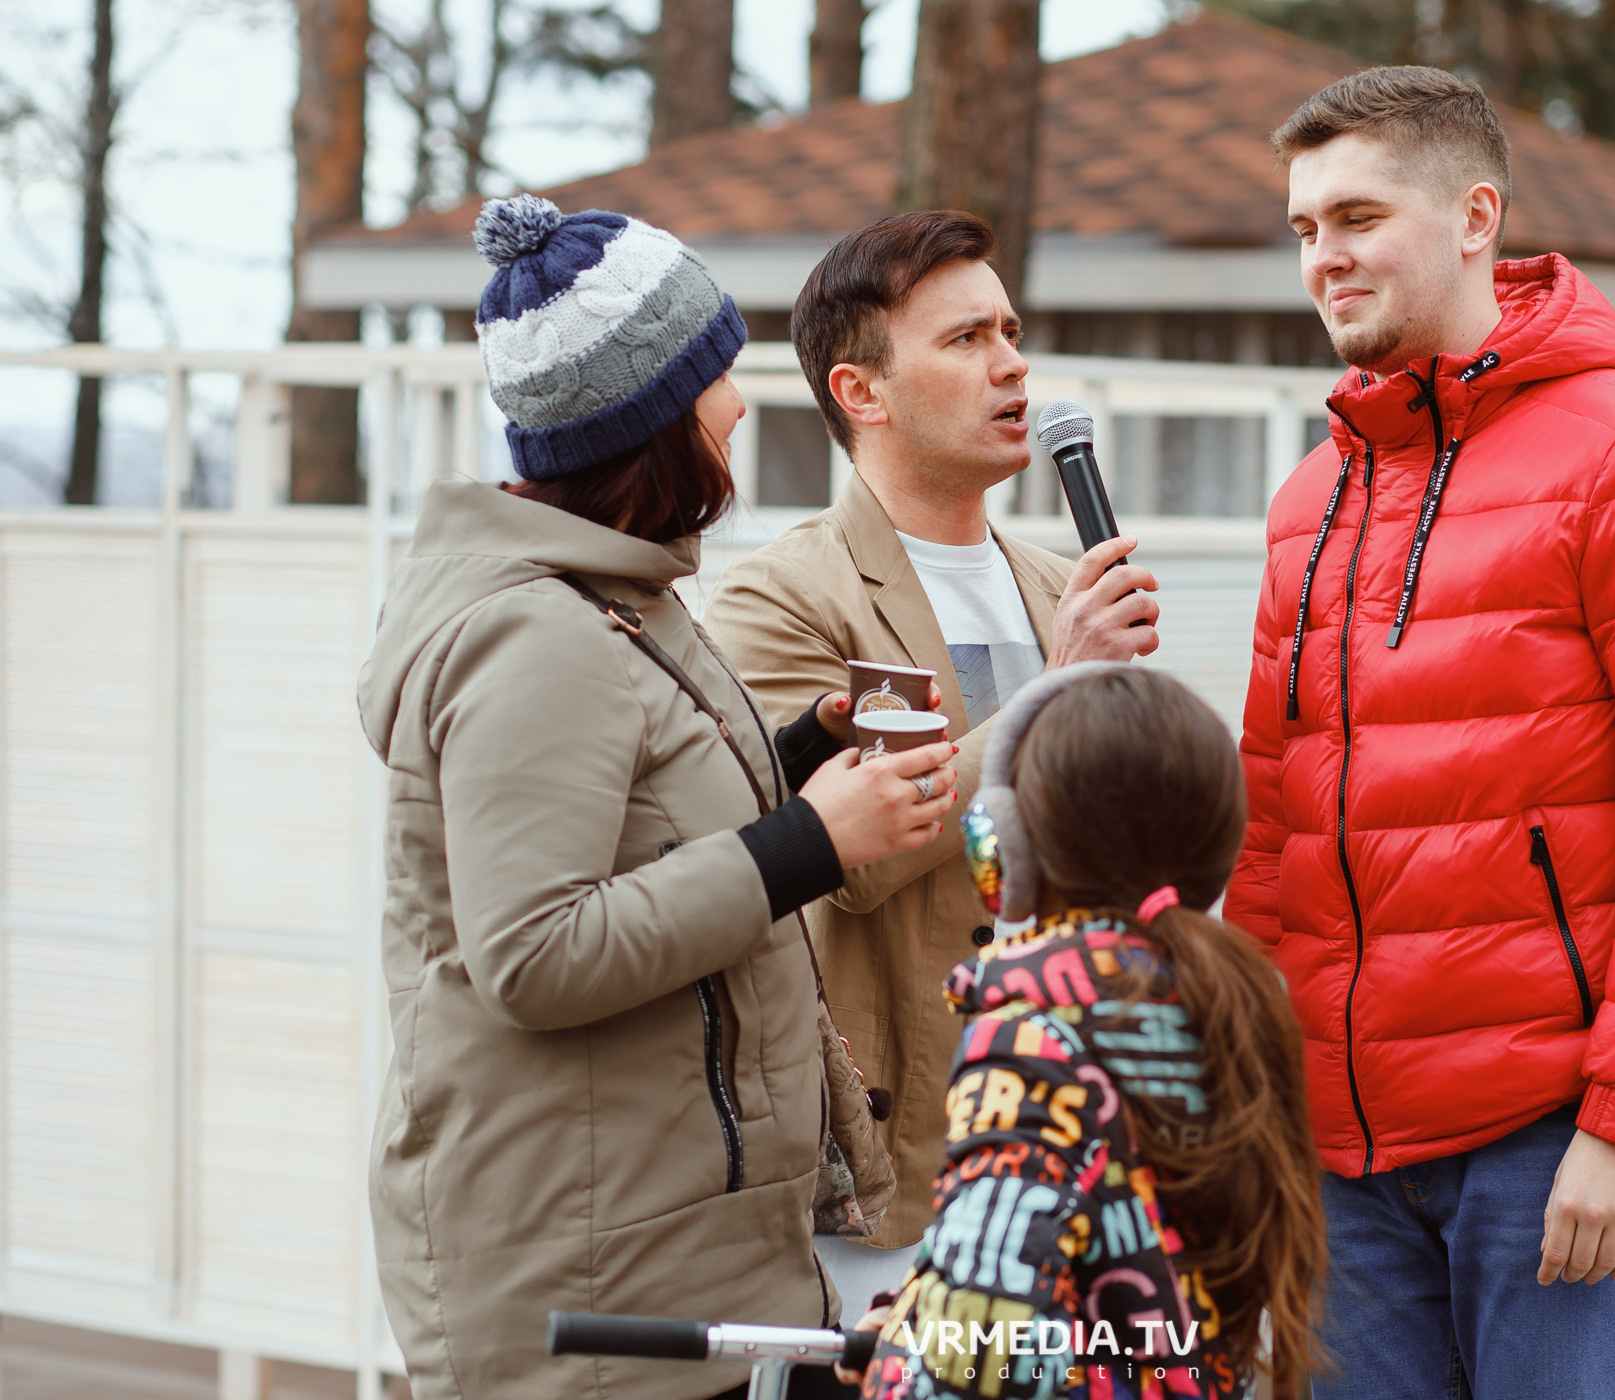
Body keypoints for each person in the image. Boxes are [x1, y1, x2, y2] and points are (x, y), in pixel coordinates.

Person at [1225, 68, 1615, 1399]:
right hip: (1340, 1164)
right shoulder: (1311, 500)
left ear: (1476, 214)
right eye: (1307, 226)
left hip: (1553, 1144)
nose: (1325, 256)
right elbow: (1278, 828)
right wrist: (1256, 1110)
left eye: (1359, 216)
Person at [356, 194, 958, 1400]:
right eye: (714, 380)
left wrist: (795, 751)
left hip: (679, 1254)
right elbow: (534, 950)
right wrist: (812, 842)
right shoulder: (533, 632)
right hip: (591, 1302)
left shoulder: (618, 598)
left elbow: (640, 818)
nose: (737, 406)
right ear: (648, 420)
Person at [706, 211, 1162, 1312]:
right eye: (965, 340)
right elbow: (849, 857)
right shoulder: (781, 597)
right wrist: (1056, 689)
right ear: (861, 391)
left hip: (1083, 1132)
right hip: (904, 1160)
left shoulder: (1067, 587)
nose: (1010, 362)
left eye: (1009, 330)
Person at [844, 664, 1326, 1400]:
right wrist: (914, 1320)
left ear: (1007, 848)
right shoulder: (1228, 1003)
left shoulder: (1033, 1036)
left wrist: (900, 1361)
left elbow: (981, 1343)